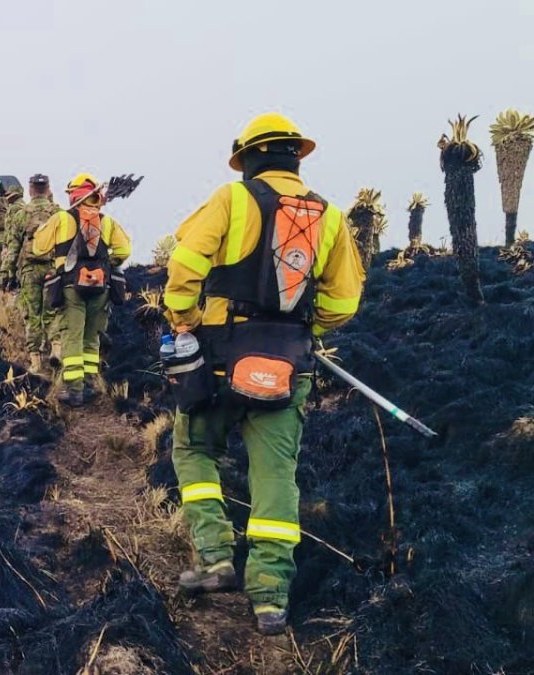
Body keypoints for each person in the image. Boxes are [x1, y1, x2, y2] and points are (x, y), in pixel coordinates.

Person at [164, 113, 365, 635]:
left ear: (248, 158)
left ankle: (215, 557)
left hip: (219, 357)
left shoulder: (232, 200)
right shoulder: (330, 216)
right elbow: (344, 301)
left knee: (194, 449)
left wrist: (184, 318)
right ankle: (270, 597)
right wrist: (304, 328)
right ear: (296, 157)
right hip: (288, 363)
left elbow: (185, 262)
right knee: (276, 476)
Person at [32, 174, 131, 407]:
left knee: (72, 336)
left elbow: (38, 248)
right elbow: (124, 251)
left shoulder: (62, 218)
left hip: (70, 287)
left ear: (74, 195)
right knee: (91, 337)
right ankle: (90, 385)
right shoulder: (107, 222)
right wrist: (106, 264)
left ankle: (74, 390)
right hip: (101, 288)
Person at [3, 174, 60, 373]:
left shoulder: (22, 214)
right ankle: (56, 348)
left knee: (32, 315)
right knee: (53, 311)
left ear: (30, 190)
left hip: (29, 270)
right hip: (53, 269)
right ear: (48, 189)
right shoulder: (58, 213)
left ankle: (36, 363)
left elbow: (13, 248)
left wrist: (8, 274)